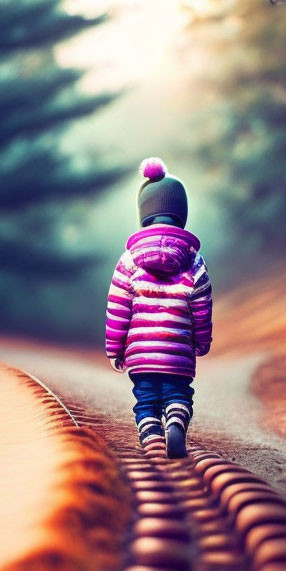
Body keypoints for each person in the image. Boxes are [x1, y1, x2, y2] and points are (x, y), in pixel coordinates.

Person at [105, 157, 213, 458]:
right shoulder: (193, 260)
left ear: (144, 214)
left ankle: (151, 437)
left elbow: (118, 306)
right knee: (177, 393)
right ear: (182, 215)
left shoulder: (129, 261)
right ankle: (176, 419)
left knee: (146, 398)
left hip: (140, 351)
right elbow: (202, 304)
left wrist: (115, 348)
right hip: (177, 351)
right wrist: (201, 341)